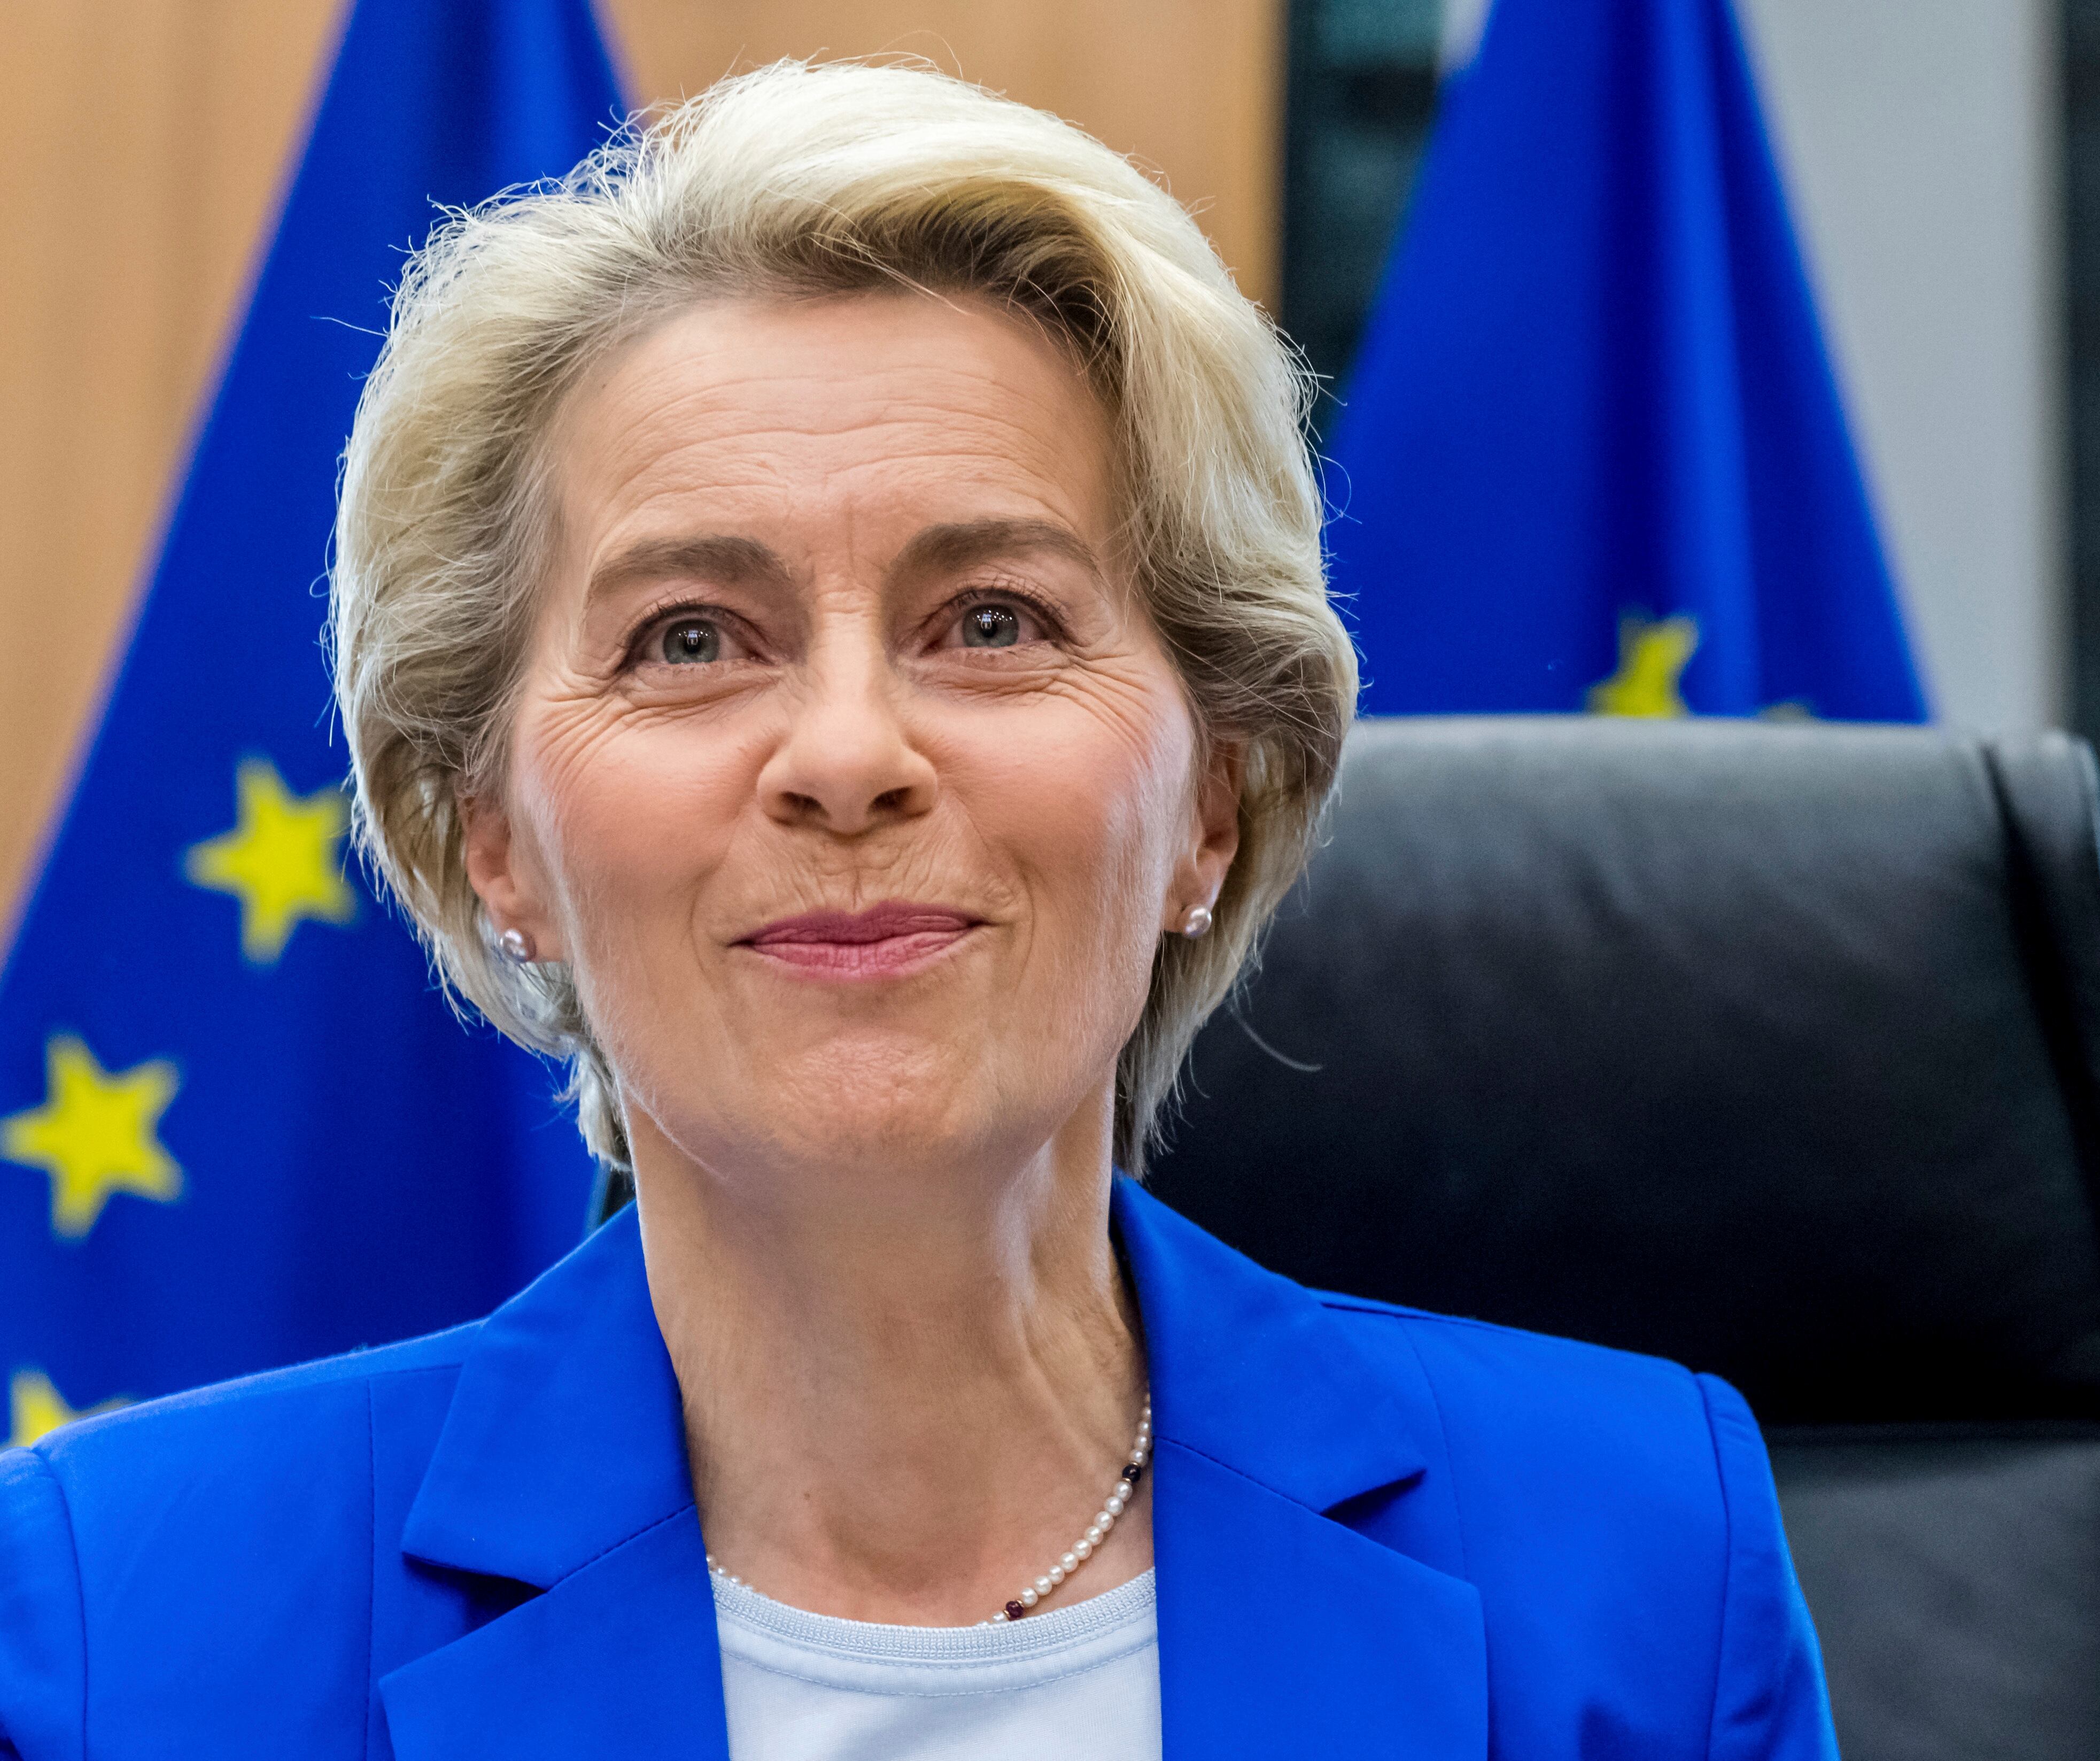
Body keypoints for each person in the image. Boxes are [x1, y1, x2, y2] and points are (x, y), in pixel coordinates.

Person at [0, 61, 1836, 1761]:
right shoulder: (121, 1633)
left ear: (1213, 796)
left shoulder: (1639, 1566)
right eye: (690, 640)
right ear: (494, 840)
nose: (848, 756)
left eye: (993, 622)